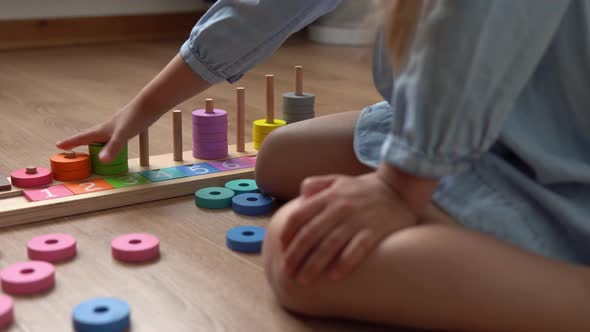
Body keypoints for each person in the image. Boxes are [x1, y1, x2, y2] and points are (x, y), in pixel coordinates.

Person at [58, 1, 590, 330]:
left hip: (563, 160)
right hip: (507, 123)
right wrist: (147, 105)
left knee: (296, 251)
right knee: (278, 156)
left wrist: (399, 187)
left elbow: (478, 22)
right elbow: (263, 4)